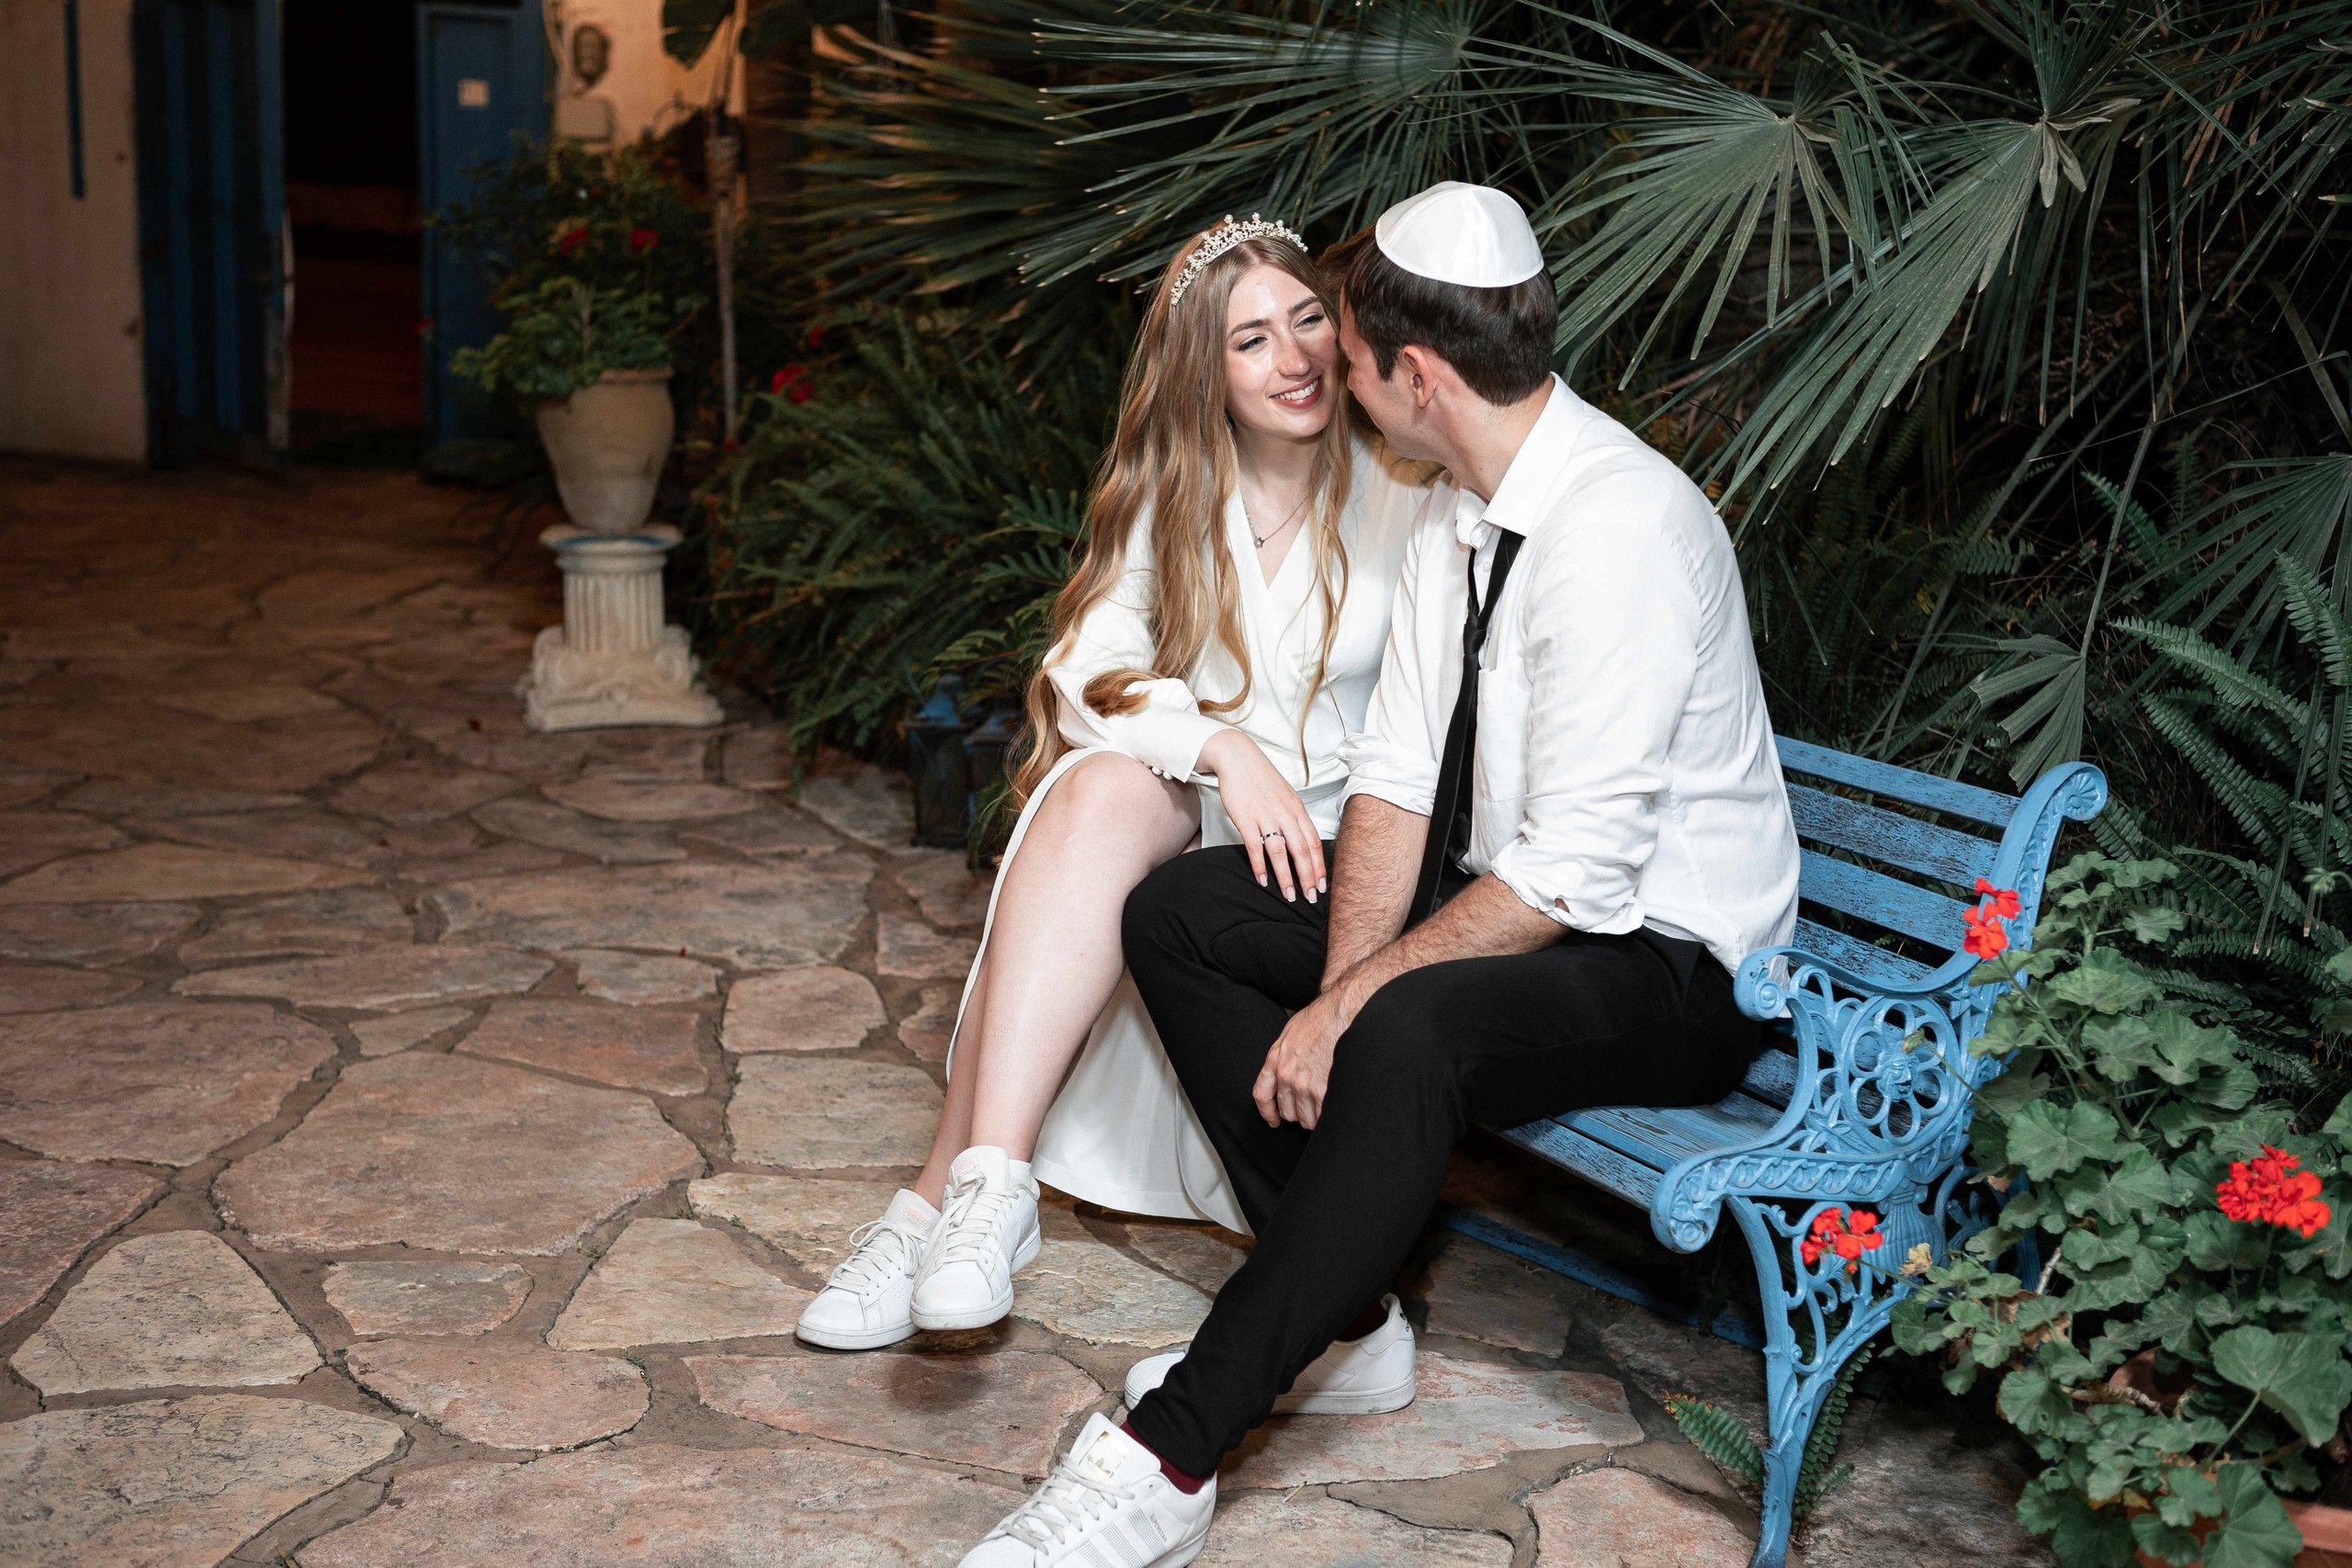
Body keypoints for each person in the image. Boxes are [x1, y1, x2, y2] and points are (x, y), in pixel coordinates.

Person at [955, 183, 1802, 1568]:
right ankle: (1346, 1324)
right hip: (1529, 905)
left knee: (1410, 1020)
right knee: (1182, 913)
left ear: (1417, 374)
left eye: (1344, 354)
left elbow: (1574, 873)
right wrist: (1338, 976)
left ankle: (1169, 1453)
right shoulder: (1455, 506)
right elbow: (1399, 783)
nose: (1327, 376)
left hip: (1673, 962)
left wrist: (1355, 1006)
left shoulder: (1620, 526)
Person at [794, 216, 1431, 1351]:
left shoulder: (1406, 486)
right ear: (1206, 373)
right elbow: (1085, 666)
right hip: (1218, 832)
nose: (1294, 359)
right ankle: (989, 1194)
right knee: (1095, 792)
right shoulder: (1177, 494)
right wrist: (1221, 748)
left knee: (1069, 852)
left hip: (1345, 854)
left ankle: (932, 1200)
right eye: (1250, 342)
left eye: (1305, 322)